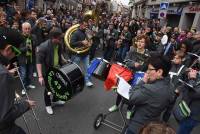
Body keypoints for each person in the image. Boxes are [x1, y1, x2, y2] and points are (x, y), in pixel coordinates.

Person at [125, 55, 175, 134]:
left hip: (137, 127)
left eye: (149, 69)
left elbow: (131, 97)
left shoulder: (150, 89)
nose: (147, 72)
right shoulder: (171, 85)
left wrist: (142, 81)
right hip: (153, 123)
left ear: (159, 72)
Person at [0, 27, 35, 134]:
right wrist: (26, 105)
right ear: (8, 49)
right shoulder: (3, 74)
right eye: (15, 51)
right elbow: (4, 116)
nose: (14, 56)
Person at [36, 27, 66, 115]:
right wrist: (40, 76)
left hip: (57, 68)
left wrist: (63, 59)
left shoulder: (59, 44)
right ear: (53, 38)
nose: (61, 40)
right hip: (47, 71)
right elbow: (38, 62)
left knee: (57, 85)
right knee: (48, 89)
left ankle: (55, 100)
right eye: (60, 38)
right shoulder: (43, 47)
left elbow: (59, 54)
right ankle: (48, 105)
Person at [176, 68, 200, 134]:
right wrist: (186, 74)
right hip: (185, 107)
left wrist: (192, 79)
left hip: (193, 116)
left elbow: (193, 94)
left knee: (182, 131)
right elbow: (184, 83)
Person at [70, 20, 93, 87]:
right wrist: (81, 42)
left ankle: (87, 81)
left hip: (86, 53)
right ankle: (72, 81)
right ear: (80, 25)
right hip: (77, 55)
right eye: (85, 25)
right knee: (74, 69)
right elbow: (71, 44)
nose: (86, 27)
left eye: (86, 25)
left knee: (87, 68)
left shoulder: (86, 32)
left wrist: (90, 43)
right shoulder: (76, 33)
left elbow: (90, 40)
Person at [18, 22, 37, 95]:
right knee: (23, 74)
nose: (27, 30)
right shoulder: (19, 37)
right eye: (25, 29)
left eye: (29, 28)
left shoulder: (33, 36)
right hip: (23, 59)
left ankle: (28, 84)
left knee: (29, 73)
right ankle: (23, 88)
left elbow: (35, 45)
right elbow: (18, 50)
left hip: (31, 58)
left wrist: (32, 41)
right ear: (22, 29)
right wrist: (26, 48)